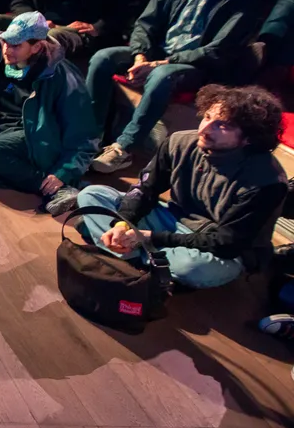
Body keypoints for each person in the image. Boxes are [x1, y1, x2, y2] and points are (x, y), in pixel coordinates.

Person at [77, 85, 286, 289]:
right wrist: (122, 224)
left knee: (193, 267)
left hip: (219, 249)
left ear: (249, 138)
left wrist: (148, 237)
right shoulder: (180, 142)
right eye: (207, 117)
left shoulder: (267, 181)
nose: (205, 129)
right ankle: (139, 257)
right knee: (92, 195)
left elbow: (226, 243)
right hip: (172, 219)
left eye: (223, 126)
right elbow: (146, 189)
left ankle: (130, 252)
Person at [88, 0, 258, 174]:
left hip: (198, 65)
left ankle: (124, 148)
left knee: (161, 76)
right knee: (103, 58)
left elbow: (220, 49)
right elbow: (146, 23)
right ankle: (90, 137)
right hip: (159, 54)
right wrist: (140, 56)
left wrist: (160, 63)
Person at [0, 11, 97, 215]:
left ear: (37, 47)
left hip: (38, 138)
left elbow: (84, 134)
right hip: (4, 133)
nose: (7, 50)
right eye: (5, 42)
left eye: (16, 45)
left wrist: (64, 172)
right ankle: (48, 187)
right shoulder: (3, 60)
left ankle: (57, 186)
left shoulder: (61, 75)